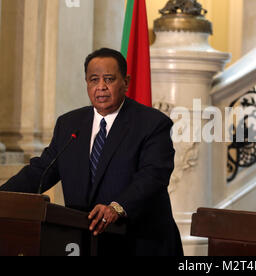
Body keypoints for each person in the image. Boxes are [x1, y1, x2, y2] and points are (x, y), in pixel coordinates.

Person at [0, 48, 183, 256]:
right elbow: (41, 170)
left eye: (109, 79)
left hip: (140, 244)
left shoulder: (152, 124)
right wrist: (3, 197)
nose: (101, 87)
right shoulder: (69, 124)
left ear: (126, 82)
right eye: (94, 80)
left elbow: (153, 176)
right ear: (86, 83)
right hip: (84, 242)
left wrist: (117, 207)